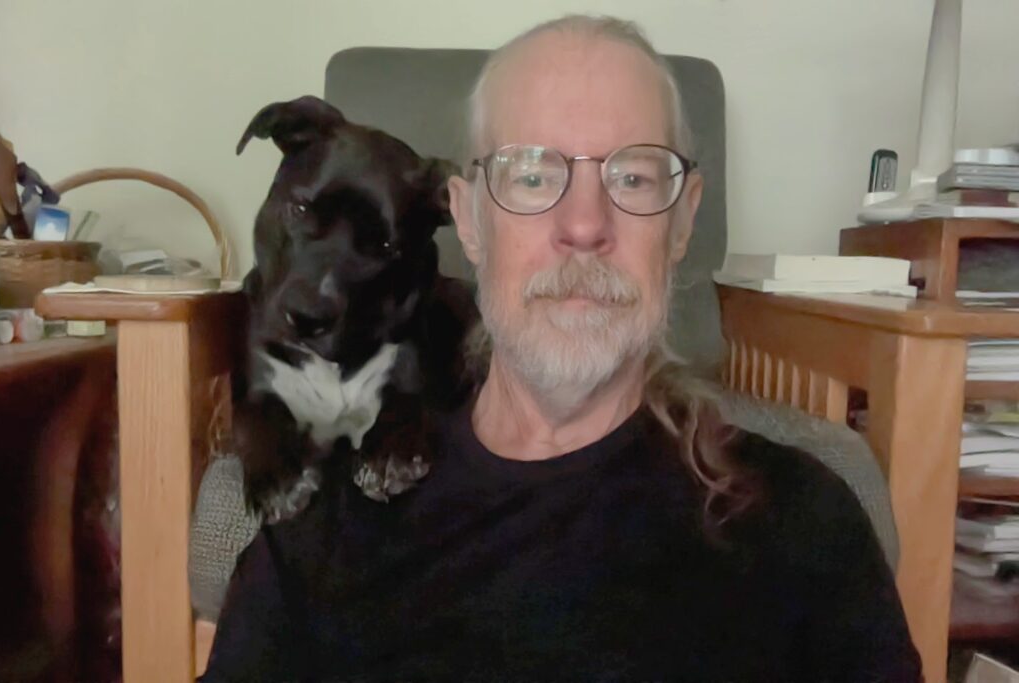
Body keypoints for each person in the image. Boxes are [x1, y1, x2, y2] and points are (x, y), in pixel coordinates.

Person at [203, 15, 921, 682]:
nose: (584, 225)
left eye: (632, 177)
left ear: (681, 224)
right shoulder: (329, 526)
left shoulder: (802, 523)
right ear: (469, 221)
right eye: (533, 176)